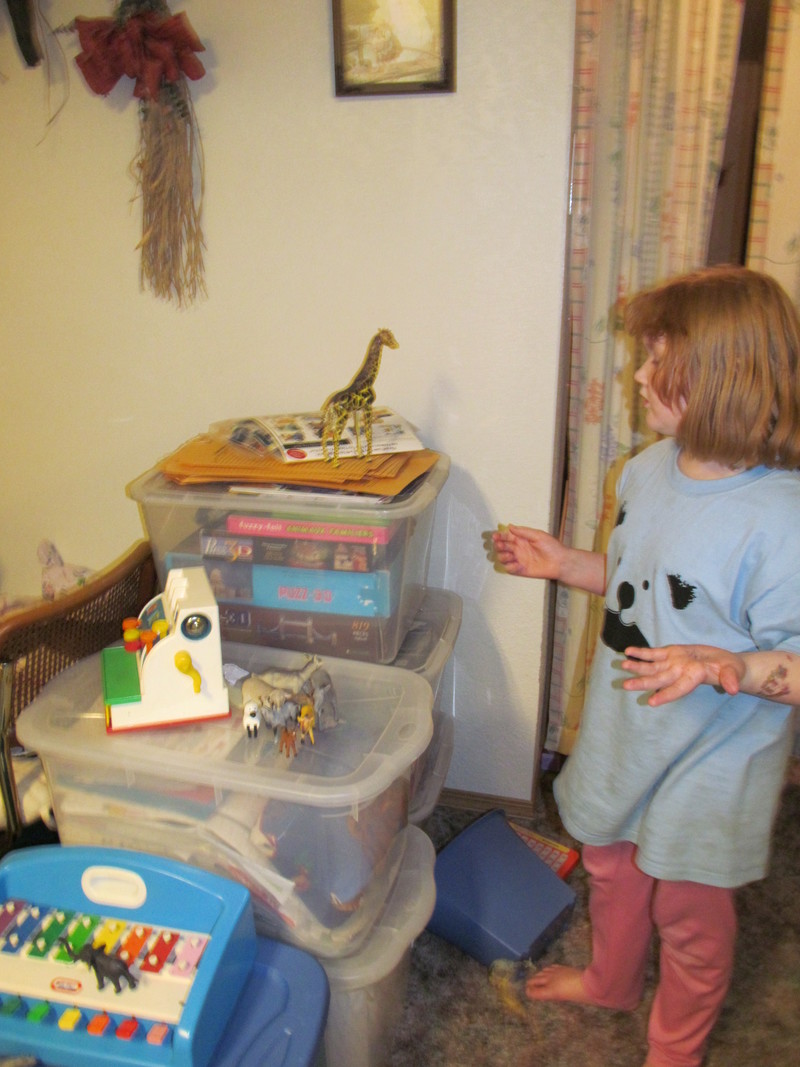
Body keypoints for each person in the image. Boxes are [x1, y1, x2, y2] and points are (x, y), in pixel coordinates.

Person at [492, 265, 800, 1067]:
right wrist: (567, 564)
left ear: (720, 374)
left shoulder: (782, 519)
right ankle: (611, 980)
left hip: (714, 755)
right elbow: (637, 583)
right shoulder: (643, 470)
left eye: (657, 356)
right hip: (626, 726)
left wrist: (729, 662)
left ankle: (675, 1049)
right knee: (611, 863)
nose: (635, 374)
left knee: (691, 914)